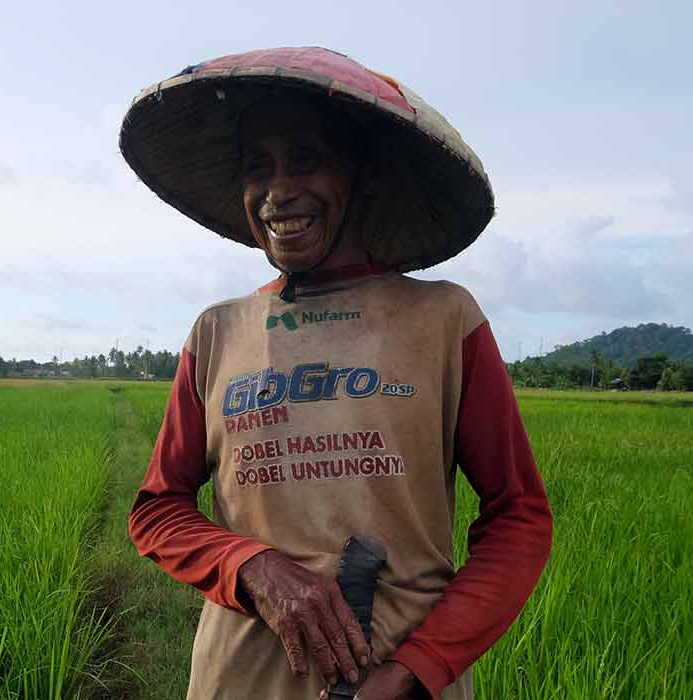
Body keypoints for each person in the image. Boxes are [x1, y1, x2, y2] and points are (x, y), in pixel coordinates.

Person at [121, 48, 553, 700]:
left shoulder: (444, 320)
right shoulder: (217, 333)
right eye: (258, 168)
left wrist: (416, 670)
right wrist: (255, 566)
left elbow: (519, 517)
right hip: (241, 680)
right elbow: (158, 511)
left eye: (306, 160)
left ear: (362, 175)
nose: (278, 192)